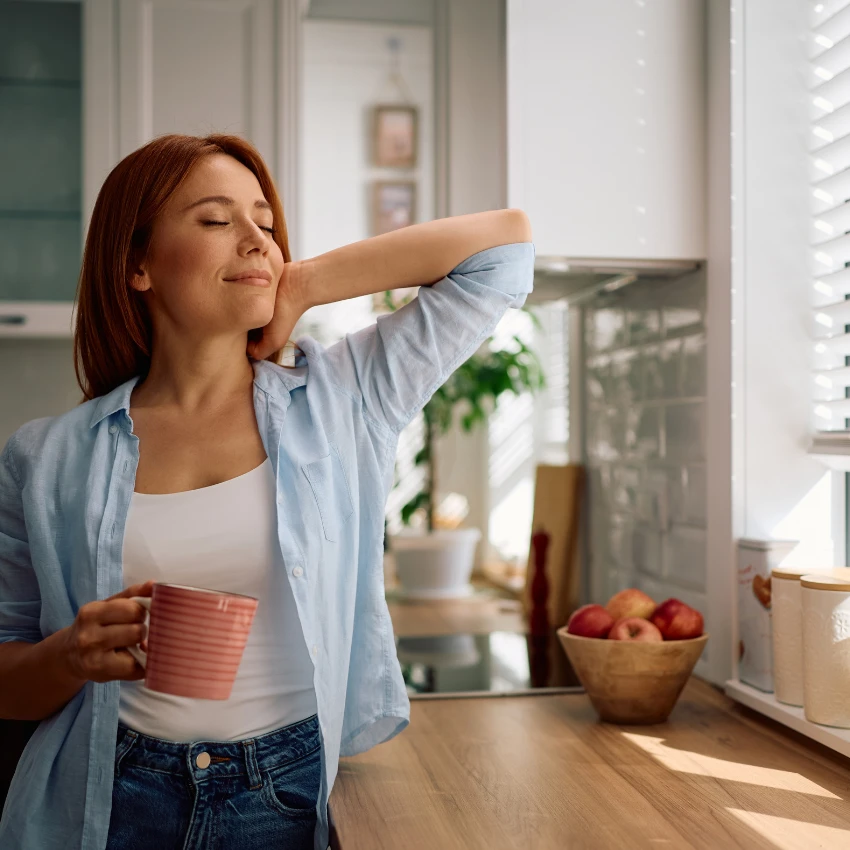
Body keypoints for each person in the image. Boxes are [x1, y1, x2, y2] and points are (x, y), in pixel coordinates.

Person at [0, 133, 534, 850]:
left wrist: (305, 283)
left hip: (282, 791)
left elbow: (503, 250)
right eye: (218, 221)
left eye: (268, 224)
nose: (257, 241)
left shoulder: (345, 398)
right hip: (108, 796)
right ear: (137, 265)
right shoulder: (44, 458)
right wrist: (67, 655)